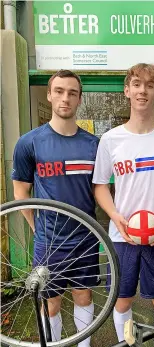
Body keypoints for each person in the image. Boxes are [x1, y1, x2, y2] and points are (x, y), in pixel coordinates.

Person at [93, 63, 154, 346]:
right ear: (127, 90)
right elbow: (100, 186)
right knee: (122, 301)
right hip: (122, 237)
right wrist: (115, 216)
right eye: (137, 84)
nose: (142, 91)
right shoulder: (111, 140)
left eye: (150, 86)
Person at [12, 70, 99, 347]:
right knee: (50, 303)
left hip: (85, 239)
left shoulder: (93, 144)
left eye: (72, 93)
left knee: (84, 297)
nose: (65, 98)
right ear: (49, 95)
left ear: (79, 99)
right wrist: (38, 228)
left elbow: (100, 190)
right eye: (59, 91)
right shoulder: (30, 142)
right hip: (49, 241)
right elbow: (21, 192)